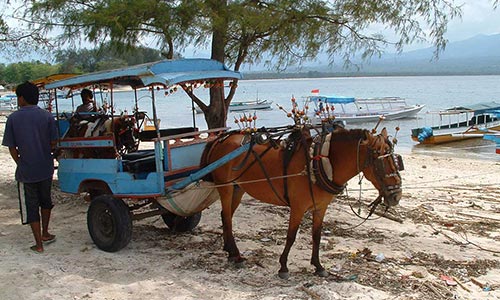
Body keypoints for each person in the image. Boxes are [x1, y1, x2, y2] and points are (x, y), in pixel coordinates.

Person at [2, 81, 58, 253]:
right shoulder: (47, 116)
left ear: (22, 98)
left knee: (31, 206)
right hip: (45, 167)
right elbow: (53, 142)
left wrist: (20, 162)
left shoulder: (13, 118)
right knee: (45, 201)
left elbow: (12, 148)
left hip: (26, 171)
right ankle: (46, 232)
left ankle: (38, 244)